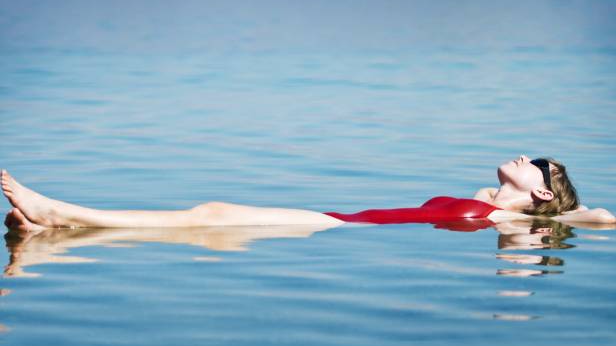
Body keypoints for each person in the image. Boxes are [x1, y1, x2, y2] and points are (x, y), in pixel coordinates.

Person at [2, 156, 615, 231]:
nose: (524, 155)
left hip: (335, 227)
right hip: (334, 218)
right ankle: (55, 226)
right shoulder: (485, 200)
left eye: (539, 164)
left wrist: (577, 212)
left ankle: (60, 211)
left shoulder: (514, 225)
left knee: (208, 215)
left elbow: (597, 216)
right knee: (208, 217)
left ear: (542, 197)